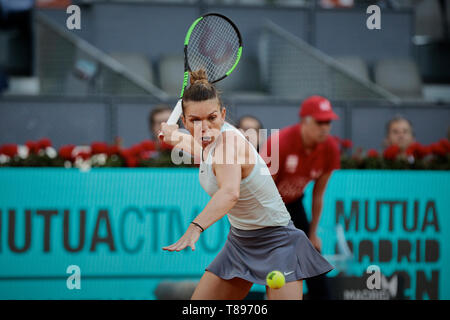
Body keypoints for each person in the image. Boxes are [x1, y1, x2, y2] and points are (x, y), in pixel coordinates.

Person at [160, 71, 333, 300]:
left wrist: (195, 227)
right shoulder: (208, 141)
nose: (205, 128)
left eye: (212, 118)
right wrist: (173, 137)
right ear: (185, 121)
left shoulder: (229, 143)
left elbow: (230, 193)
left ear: (222, 115)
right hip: (240, 242)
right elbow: (197, 145)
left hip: (277, 242)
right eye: (195, 121)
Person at [260, 95, 340, 300]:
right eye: (319, 122)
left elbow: (318, 193)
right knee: (273, 264)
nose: (325, 127)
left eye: (328, 122)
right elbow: (263, 191)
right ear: (305, 120)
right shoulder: (279, 143)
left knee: (313, 259)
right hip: (265, 206)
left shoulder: (330, 148)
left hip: (294, 203)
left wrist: (313, 234)